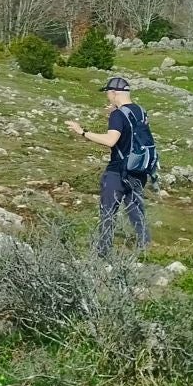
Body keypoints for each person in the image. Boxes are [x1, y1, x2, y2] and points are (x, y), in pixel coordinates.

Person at [68, 75, 150, 256]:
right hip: (138, 170)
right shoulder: (141, 112)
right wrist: (115, 110)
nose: (107, 97)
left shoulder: (118, 115)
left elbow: (111, 141)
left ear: (114, 93)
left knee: (108, 212)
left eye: (108, 94)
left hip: (118, 171)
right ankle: (145, 249)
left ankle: (103, 253)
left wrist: (83, 132)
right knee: (136, 212)